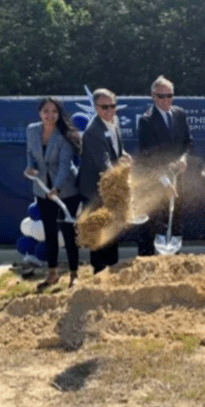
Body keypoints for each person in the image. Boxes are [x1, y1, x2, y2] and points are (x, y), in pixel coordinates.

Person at [24, 97, 82, 289]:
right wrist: (30, 169)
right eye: (46, 111)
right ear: (39, 113)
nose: (50, 115)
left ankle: (74, 274)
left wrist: (56, 189)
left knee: (68, 232)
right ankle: (52, 274)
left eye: (54, 111)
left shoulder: (65, 134)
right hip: (42, 189)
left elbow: (65, 165)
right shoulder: (32, 130)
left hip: (65, 189)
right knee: (49, 231)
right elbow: (30, 156)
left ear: (59, 113)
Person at [136, 75, 193, 256]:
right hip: (156, 182)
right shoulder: (146, 121)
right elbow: (149, 156)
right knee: (153, 223)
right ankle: (147, 263)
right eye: (161, 96)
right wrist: (165, 182)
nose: (166, 100)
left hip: (177, 179)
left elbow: (187, 143)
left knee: (175, 218)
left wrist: (184, 159)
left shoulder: (179, 114)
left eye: (169, 95)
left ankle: (172, 263)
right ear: (153, 96)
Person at [78, 88, 127, 273]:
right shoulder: (93, 132)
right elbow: (105, 165)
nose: (109, 110)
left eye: (112, 106)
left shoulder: (114, 123)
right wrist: (124, 175)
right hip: (94, 191)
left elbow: (117, 153)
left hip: (110, 189)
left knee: (112, 230)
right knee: (98, 233)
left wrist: (125, 157)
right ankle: (99, 274)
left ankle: (112, 270)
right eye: (104, 107)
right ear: (96, 107)